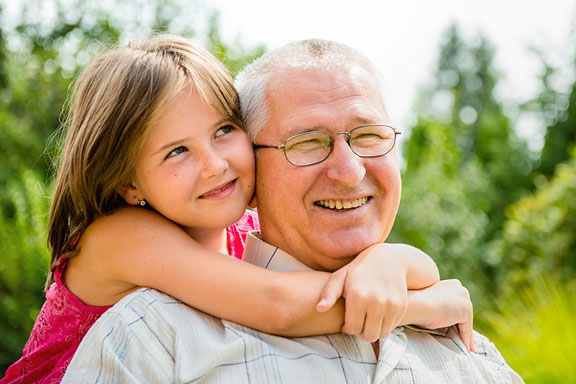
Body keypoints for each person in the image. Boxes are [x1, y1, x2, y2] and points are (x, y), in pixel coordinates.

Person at [1, 35, 468, 384]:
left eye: (223, 130)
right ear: (128, 182)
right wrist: (418, 304)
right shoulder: (118, 238)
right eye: (176, 152)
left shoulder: (244, 229)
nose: (214, 165)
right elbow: (279, 306)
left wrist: (387, 259)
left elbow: (387, 267)